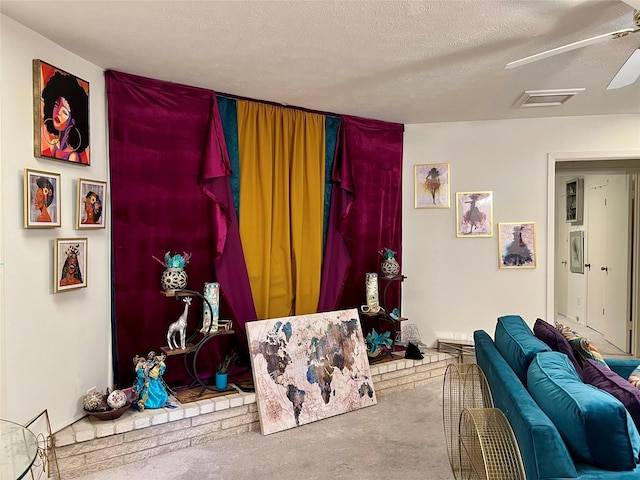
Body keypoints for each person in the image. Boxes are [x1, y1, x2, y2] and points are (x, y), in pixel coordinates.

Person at [40, 70, 89, 164]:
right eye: (56, 106)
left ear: (73, 121)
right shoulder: (54, 144)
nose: (58, 113)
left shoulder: (73, 156)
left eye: (65, 112)